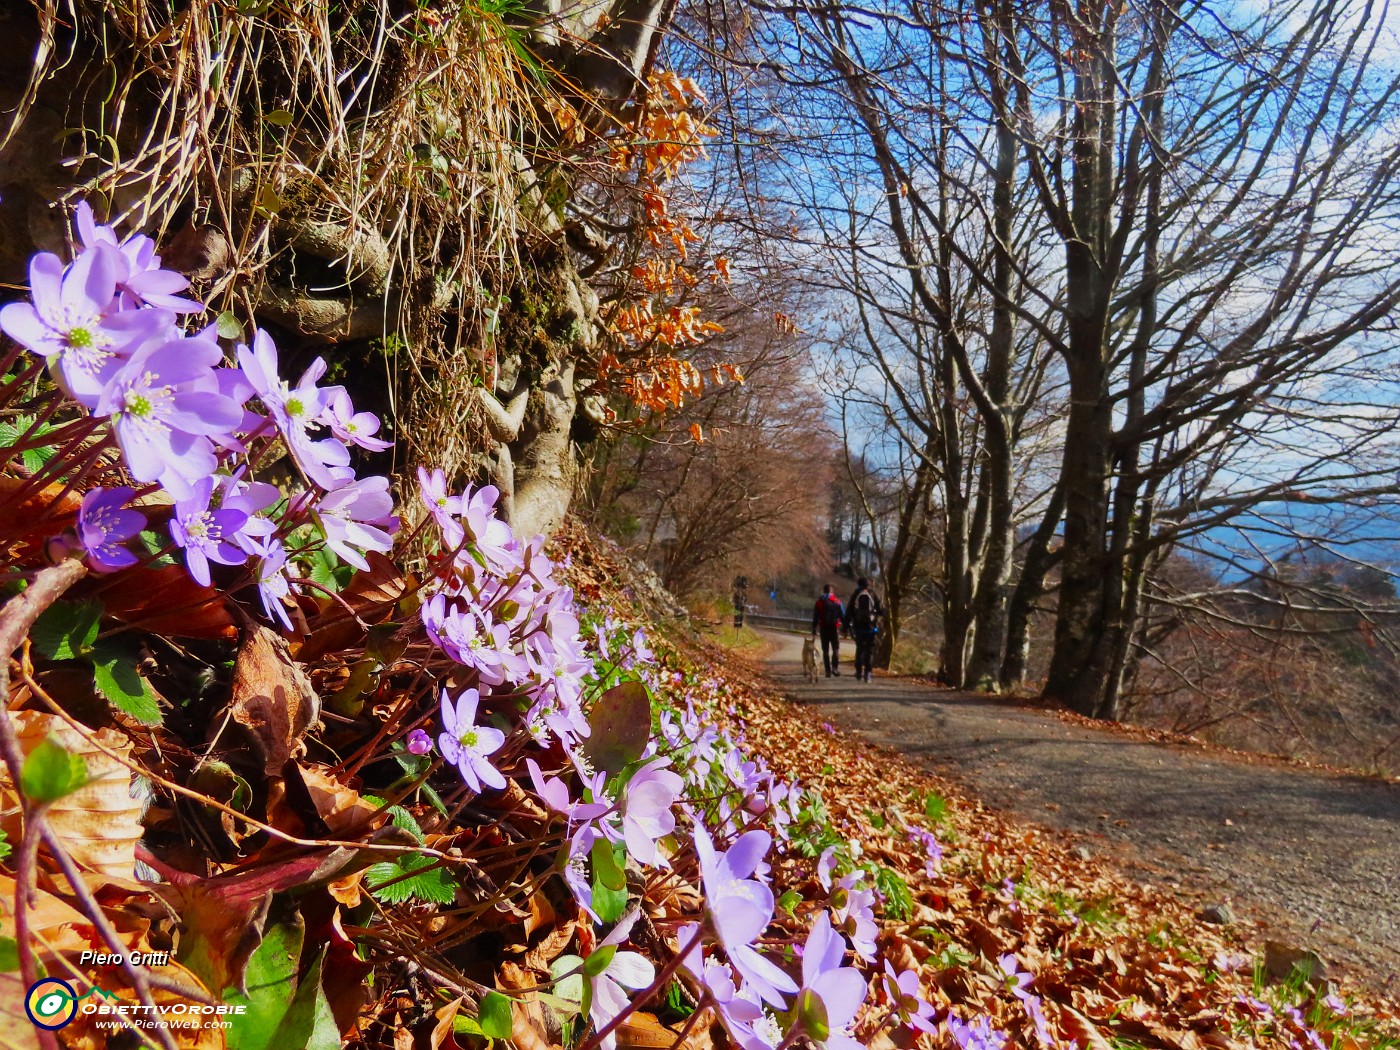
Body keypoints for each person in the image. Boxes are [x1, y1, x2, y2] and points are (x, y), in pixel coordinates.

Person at [846, 577, 882, 682]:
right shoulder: (873, 594)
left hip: (858, 628)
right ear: (868, 584)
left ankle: (858, 672)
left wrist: (845, 626)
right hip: (871, 628)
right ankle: (868, 674)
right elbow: (879, 610)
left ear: (858, 584)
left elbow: (849, 611)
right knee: (869, 651)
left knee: (859, 649)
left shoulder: (856, 595)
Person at [811, 583, 845, 677]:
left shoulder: (819, 602)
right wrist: (844, 628)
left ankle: (828, 671)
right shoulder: (837, 602)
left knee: (825, 650)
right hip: (834, 629)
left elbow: (815, 617)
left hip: (823, 628)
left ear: (824, 591)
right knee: (836, 649)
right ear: (832, 591)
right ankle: (835, 668)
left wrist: (814, 628)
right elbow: (843, 616)